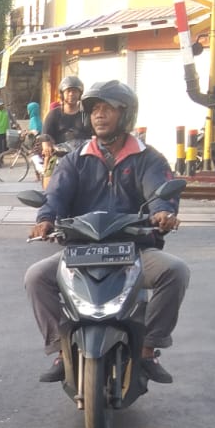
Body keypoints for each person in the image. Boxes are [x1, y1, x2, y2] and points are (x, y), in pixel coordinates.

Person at [24, 79, 188, 386]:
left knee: (175, 272)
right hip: (81, 250)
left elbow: (159, 191)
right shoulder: (75, 159)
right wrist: (45, 219)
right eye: (95, 109)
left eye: (107, 109)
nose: (99, 115)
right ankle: (60, 349)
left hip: (133, 249)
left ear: (125, 114)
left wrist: (163, 212)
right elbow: (56, 195)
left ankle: (148, 348)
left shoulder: (148, 158)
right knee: (36, 277)